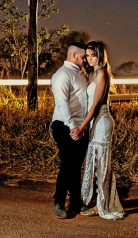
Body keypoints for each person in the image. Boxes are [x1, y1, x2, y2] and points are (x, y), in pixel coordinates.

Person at [73, 40, 125, 220]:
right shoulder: (93, 74)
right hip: (94, 122)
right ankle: (91, 200)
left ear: (100, 55)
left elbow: (95, 105)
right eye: (87, 56)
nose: (89, 58)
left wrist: (82, 127)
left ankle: (102, 205)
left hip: (101, 122)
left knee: (102, 165)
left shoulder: (102, 74)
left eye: (92, 55)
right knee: (93, 162)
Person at [49, 43, 89, 219]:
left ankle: (75, 202)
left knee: (75, 165)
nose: (85, 60)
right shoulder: (62, 75)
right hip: (64, 125)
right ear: (73, 55)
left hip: (80, 126)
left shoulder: (79, 74)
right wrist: (73, 126)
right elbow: (61, 103)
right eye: (82, 57)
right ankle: (58, 202)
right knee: (68, 163)